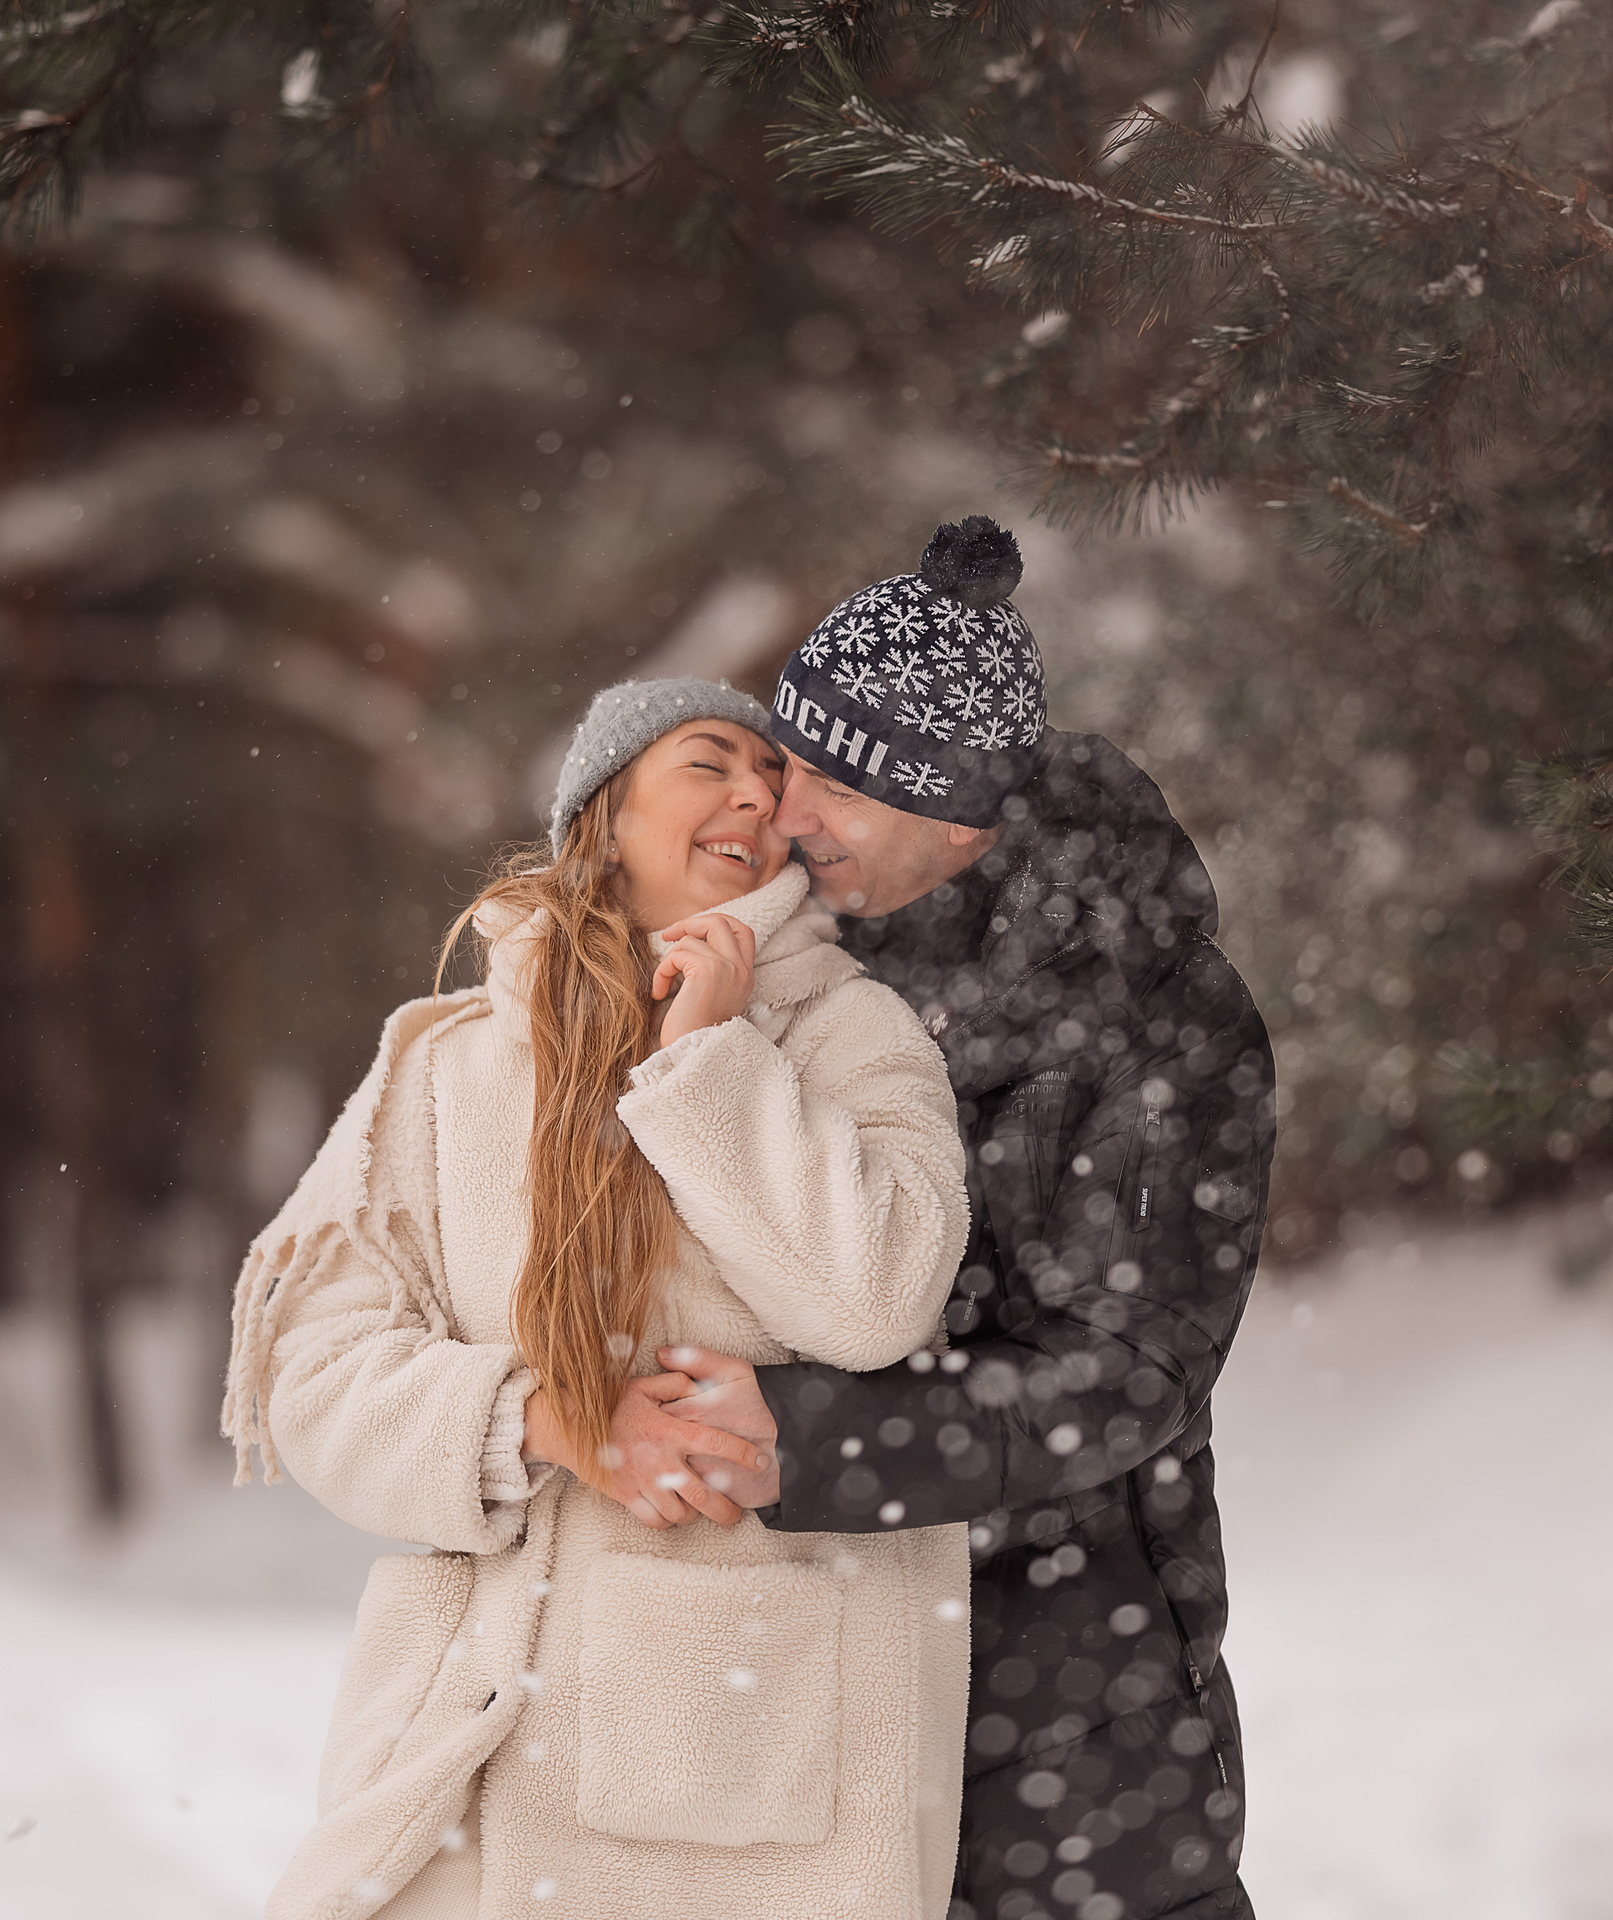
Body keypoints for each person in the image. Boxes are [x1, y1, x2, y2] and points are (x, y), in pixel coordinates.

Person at [224, 679, 979, 1920]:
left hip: (748, 1759)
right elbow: (312, 1366)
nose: (755, 794)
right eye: (708, 762)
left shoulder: (853, 1035)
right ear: (604, 811)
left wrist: (707, 1059)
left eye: (769, 777)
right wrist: (542, 1421)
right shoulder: (446, 1064)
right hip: (464, 1751)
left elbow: (878, 1300)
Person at [662, 518, 1275, 1920]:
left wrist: (804, 1438)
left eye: (841, 783)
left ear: (959, 814)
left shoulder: (1156, 1017)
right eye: (788, 759)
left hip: (1073, 1691)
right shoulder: (764, 958)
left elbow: (1124, 1371)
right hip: (791, 1677)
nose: (787, 809)